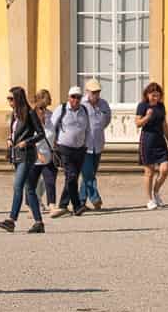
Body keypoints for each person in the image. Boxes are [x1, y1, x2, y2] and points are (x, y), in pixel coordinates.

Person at [0, 86, 48, 234]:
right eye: (8, 99)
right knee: (29, 189)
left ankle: (11, 220)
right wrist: (9, 139)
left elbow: (41, 134)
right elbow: (12, 132)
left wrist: (27, 142)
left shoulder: (30, 113)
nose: (9, 101)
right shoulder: (14, 114)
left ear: (18, 98)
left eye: (11, 99)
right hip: (16, 154)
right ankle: (39, 222)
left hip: (27, 154)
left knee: (18, 186)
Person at [51, 87, 90, 217]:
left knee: (72, 178)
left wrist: (86, 145)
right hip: (64, 148)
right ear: (68, 97)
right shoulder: (61, 109)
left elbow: (88, 129)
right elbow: (51, 125)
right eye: (73, 97)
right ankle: (77, 206)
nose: (75, 100)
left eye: (78, 97)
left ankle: (63, 205)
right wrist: (52, 144)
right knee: (72, 176)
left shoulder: (84, 110)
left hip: (80, 149)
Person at [137, 81, 168, 210]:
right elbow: (138, 123)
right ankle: (149, 199)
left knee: (165, 168)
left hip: (160, 141)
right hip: (147, 141)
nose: (155, 97)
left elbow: (164, 124)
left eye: (157, 95)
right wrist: (147, 116)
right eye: (153, 95)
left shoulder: (161, 106)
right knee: (149, 172)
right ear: (147, 94)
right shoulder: (142, 106)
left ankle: (156, 191)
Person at [80, 80, 110, 212]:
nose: (96, 95)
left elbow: (107, 119)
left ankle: (80, 202)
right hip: (84, 145)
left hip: (98, 144)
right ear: (87, 92)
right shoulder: (81, 104)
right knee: (88, 174)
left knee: (89, 175)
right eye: (93, 93)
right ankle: (95, 198)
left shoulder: (103, 104)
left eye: (98, 92)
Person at [32, 89, 57, 208]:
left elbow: (53, 132)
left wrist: (55, 147)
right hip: (35, 154)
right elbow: (29, 138)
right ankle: (33, 204)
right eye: (42, 106)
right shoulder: (31, 116)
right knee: (35, 182)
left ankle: (51, 205)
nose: (44, 108)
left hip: (48, 153)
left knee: (49, 180)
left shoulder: (50, 115)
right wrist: (37, 153)